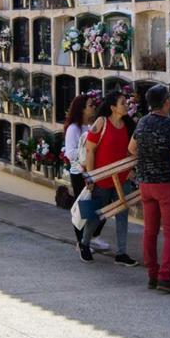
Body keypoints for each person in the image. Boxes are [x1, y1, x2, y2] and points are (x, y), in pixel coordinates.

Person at [128, 84, 170, 293]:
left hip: (146, 185)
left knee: (150, 231)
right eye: (169, 98)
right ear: (166, 103)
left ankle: (152, 275)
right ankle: (165, 277)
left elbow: (131, 148)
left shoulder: (142, 123)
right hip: (167, 185)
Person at [79, 90, 137, 267]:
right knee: (96, 215)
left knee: (122, 215)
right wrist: (91, 177)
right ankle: (84, 243)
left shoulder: (128, 125)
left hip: (122, 178)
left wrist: (131, 168)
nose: (126, 105)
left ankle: (121, 253)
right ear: (113, 107)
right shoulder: (101, 122)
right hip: (102, 179)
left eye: (126, 102)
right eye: (122, 103)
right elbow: (90, 150)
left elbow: (131, 149)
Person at [63, 94, 108, 254]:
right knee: (84, 207)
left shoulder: (89, 127)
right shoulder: (73, 129)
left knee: (101, 206)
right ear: (81, 109)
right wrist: (87, 153)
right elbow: (70, 153)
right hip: (80, 174)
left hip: (92, 170)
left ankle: (93, 237)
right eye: (90, 105)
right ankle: (81, 242)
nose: (93, 108)